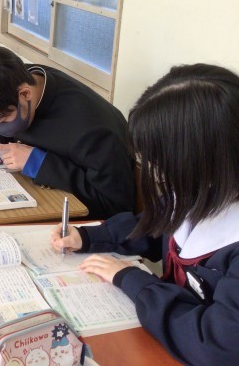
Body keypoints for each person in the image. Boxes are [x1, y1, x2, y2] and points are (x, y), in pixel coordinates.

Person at [51, 63, 239, 365]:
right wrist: (87, 237)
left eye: (160, 160)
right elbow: (151, 226)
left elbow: (216, 345)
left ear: (202, 157)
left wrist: (132, 280)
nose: (154, 170)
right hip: (164, 339)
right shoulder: (201, 188)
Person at [0, 46, 135, 219]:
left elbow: (114, 207)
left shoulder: (93, 130)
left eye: (2, 120)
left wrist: (38, 163)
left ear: (25, 94)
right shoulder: (22, 79)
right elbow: (12, 119)